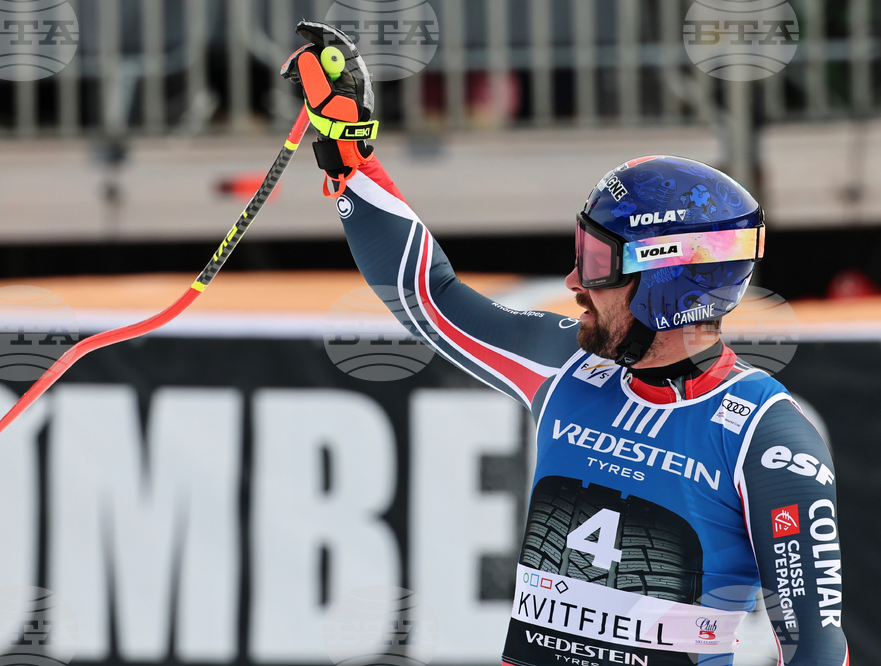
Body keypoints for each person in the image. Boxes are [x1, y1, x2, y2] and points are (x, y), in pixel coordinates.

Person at [282, 22, 849, 666]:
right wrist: (349, 160)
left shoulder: (766, 436)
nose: (576, 280)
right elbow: (429, 297)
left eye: (599, 259)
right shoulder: (569, 368)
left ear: (668, 278)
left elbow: (816, 647)